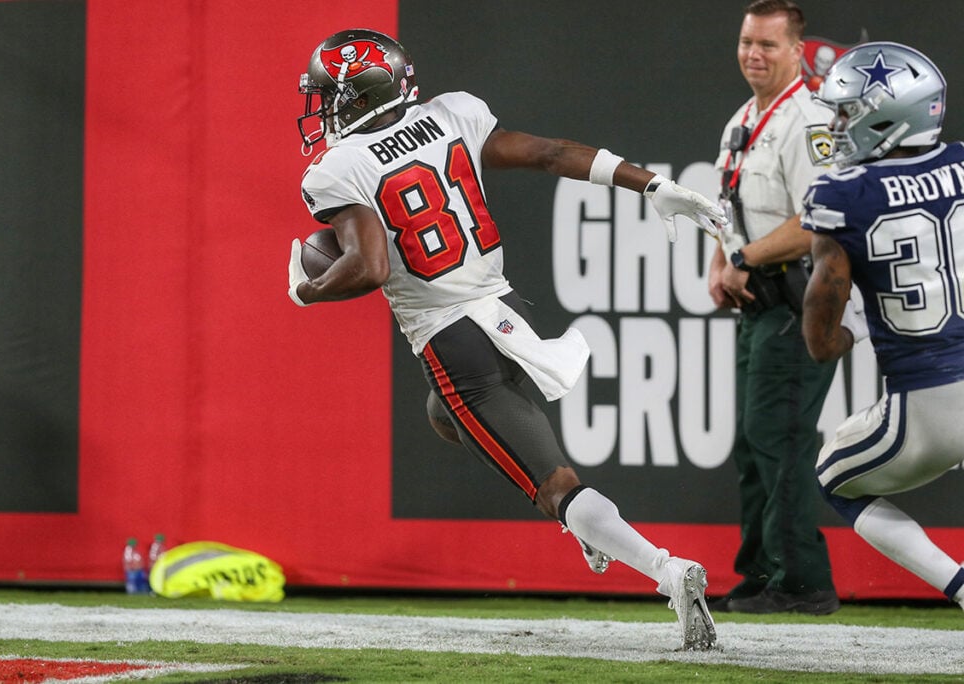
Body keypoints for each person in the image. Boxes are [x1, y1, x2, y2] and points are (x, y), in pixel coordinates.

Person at [289, 28, 725, 650]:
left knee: (553, 488)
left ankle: (665, 571)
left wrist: (307, 290)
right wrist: (650, 184)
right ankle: (589, 526)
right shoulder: (451, 116)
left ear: (360, 96)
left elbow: (368, 267)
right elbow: (550, 153)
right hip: (507, 313)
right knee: (446, 416)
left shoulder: (339, 167)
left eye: (333, 96)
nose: (326, 110)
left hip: (455, 340)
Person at [801, 41, 964, 613]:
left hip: (928, 402)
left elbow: (819, 344)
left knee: (834, 477)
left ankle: (960, 586)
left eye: (847, 112)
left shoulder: (842, 196)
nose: (837, 125)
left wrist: (853, 332)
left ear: (886, 115)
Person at [707, 0, 840, 615]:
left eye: (767, 45)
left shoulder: (807, 118)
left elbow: (817, 219)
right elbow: (727, 204)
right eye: (745, 42)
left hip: (801, 297)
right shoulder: (744, 117)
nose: (753, 55)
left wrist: (745, 258)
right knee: (751, 440)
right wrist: (720, 261)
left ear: (796, 51)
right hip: (761, 300)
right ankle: (762, 572)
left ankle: (802, 580)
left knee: (778, 436)